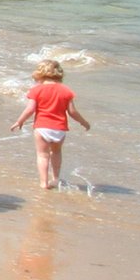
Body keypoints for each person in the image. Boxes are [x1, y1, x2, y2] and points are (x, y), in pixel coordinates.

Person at [10, 58, 89, 190]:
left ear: (39, 74)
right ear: (59, 73)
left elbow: (30, 109)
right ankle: (56, 178)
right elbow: (72, 112)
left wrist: (20, 121)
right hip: (60, 128)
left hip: (42, 127)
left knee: (42, 155)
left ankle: (44, 182)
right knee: (56, 152)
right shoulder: (66, 91)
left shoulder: (37, 90)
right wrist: (84, 122)